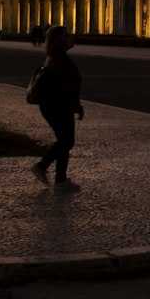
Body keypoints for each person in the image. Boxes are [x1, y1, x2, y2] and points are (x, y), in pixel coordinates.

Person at [30, 25, 85, 192]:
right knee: (66, 140)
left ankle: (60, 179)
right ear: (60, 41)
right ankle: (42, 167)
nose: (71, 36)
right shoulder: (60, 60)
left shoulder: (55, 57)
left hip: (54, 105)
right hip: (58, 106)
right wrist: (76, 106)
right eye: (67, 35)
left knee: (64, 140)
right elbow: (67, 87)